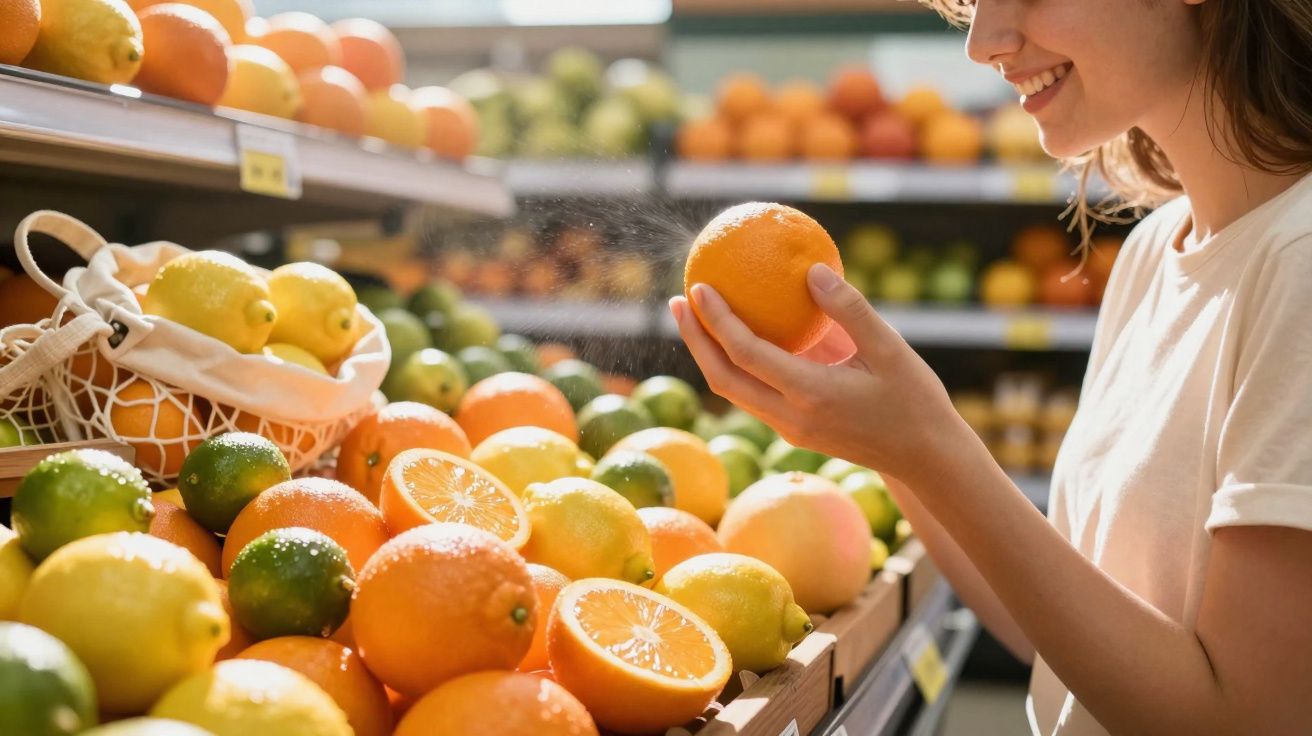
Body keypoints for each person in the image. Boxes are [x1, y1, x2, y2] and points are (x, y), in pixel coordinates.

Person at [668, 1, 1312, 733]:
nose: (982, 43)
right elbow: (1063, 638)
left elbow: (1245, 720)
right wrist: (889, 442)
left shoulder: (1300, 265)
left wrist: (932, 446)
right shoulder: (1154, 250)